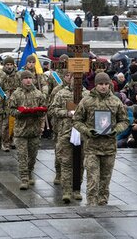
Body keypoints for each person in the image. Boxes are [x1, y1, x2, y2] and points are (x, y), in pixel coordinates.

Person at [73, 72, 129, 206]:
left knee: (105, 180)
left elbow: (124, 121)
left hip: (109, 147)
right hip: (92, 147)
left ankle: (103, 204)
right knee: (93, 179)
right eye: (100, 84)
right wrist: (87, 131)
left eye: (106, 84)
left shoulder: (116, 101)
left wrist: (116, 130)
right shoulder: (87, 100)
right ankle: (91, 205)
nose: (103, 87)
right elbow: (77, 120)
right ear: (96, 85)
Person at [49, 71, 85, 202]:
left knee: (80, 163)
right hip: (65, 131)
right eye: (73, 78)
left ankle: (77, 189)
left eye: (78, 79)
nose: (75, 81)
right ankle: (66, 191)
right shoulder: (61, 93)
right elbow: (52, 109)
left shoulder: (87, 95)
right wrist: (67, 113)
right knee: (66, 162)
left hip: (82, 133)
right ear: (69, 79)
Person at [8, 70, 46, 190]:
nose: (28, 80)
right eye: (26, 78)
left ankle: (29, 172)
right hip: (21, 131)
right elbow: (11, 110)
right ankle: (24, 178)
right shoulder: (16, 94)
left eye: (30, 77)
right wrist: (20, 112)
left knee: (32, 156)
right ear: (22, 80)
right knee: (22, 156)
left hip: (34, 130)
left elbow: (44, 109)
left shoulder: (39, 94)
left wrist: (39, 113)